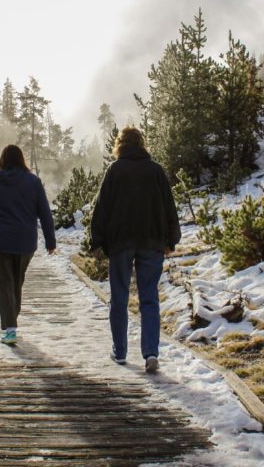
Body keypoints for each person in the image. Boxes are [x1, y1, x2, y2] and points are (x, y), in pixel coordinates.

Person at [88, 127, 180, 373]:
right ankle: (150, 353)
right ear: (142, 144)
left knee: (119, 298)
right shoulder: (156, 171)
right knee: (149, 299)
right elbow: (169, 207)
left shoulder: (114, 171)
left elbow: (102, 208)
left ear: (120, 145)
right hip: (152, 242)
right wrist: (172, 239)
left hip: (121, 243)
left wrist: (96, 241)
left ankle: (120, 352)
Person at [0, 145, 56, 345]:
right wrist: (50, 241)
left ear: (2, 160)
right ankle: (11, 324)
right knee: (16, 282)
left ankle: (10, 328)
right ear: (22, 160)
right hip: (24, 242)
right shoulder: (33, 182)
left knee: (5, 284)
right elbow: (45, 212)